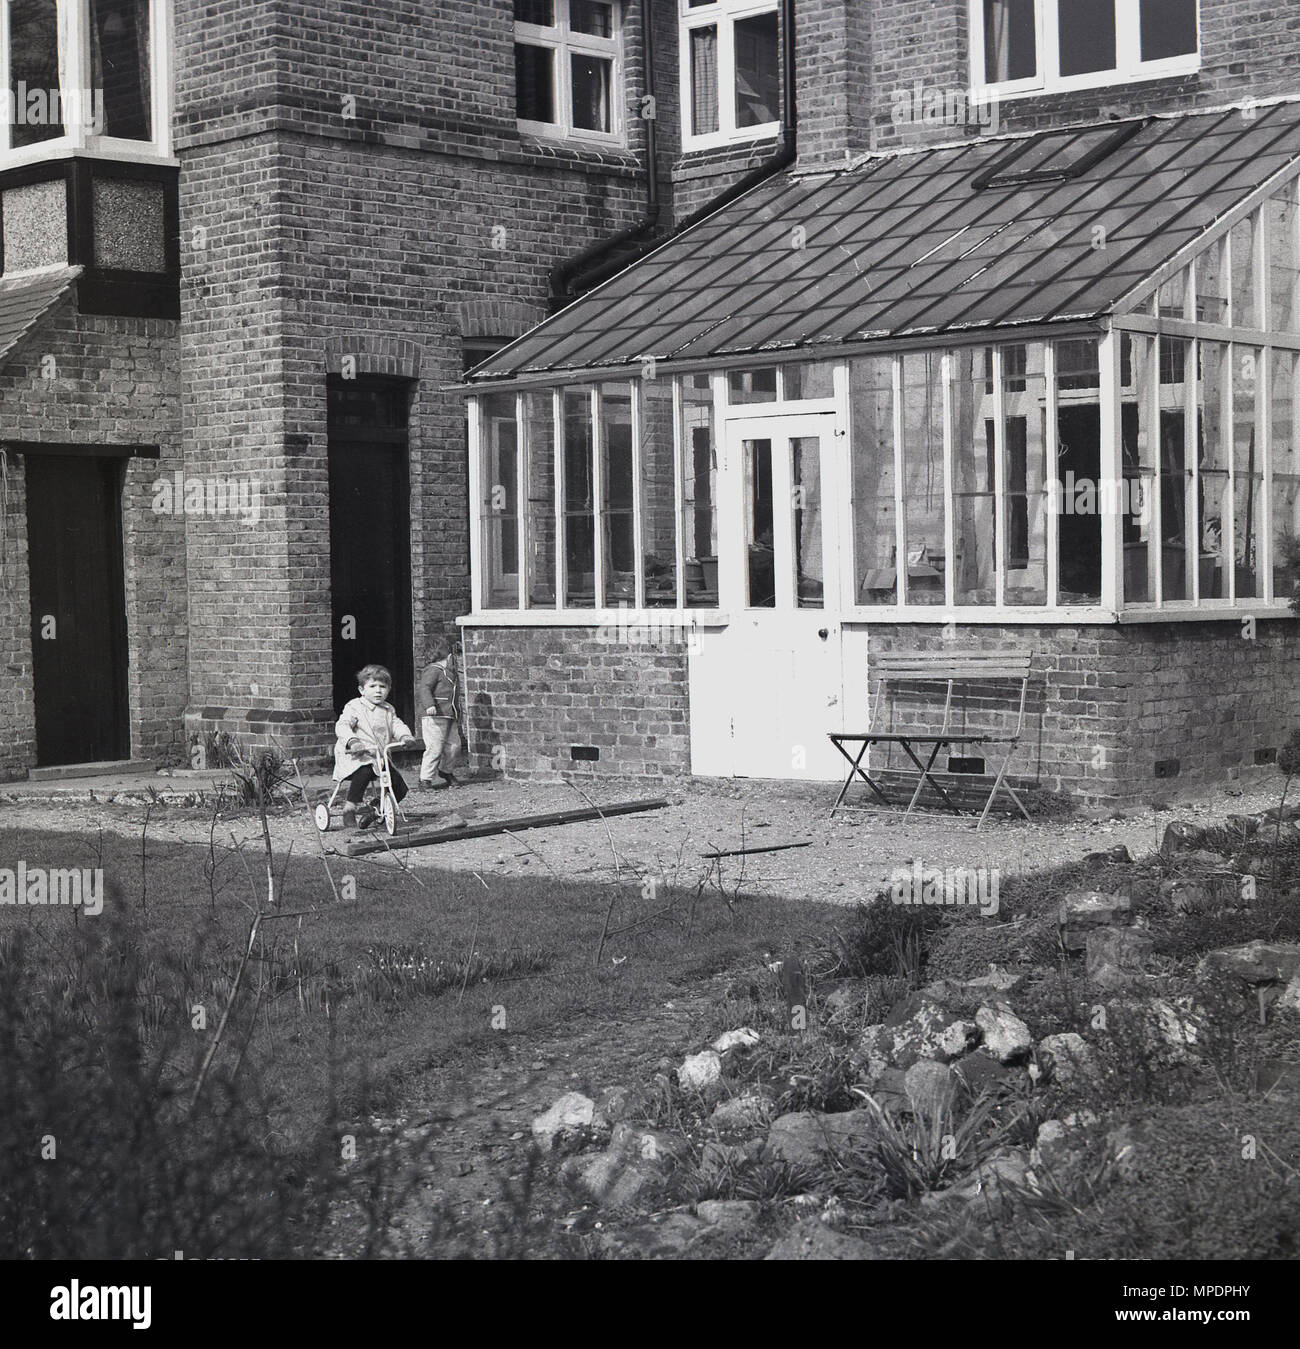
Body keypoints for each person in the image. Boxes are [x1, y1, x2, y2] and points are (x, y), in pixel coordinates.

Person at [333, 664, 416, 828]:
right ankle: (349, 808)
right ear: (362, 690)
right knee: (366, 770)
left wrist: (405, 736)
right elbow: (342, 726)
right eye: (372, 686)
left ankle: (376, 808)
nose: (378, 691)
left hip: (380, 756)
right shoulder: (354, 707)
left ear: (389, 689)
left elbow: (396, 724)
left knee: (399, 787)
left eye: (383, 687)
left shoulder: (388, 709)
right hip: (356, 755)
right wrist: (353, 741)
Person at [417, 637, 463, 789]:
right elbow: (424, 688)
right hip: (434, 716)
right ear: (447, 655)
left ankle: (445, 770)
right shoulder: (433, 670)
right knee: (434, 747)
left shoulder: (449, 673)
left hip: (449, 715)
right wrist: (429, 704)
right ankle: (425, 779)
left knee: (455, 746)